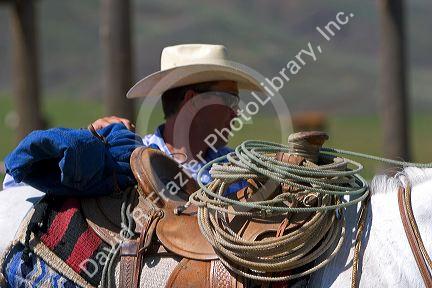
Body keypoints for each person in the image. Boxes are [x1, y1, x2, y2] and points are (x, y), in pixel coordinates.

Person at [3, 43, 264, 190]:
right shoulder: (128, 161)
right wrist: (88, 144)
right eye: (228, 99)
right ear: (191, 102)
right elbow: (17, 180)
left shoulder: (237, 168)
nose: (236, 111)